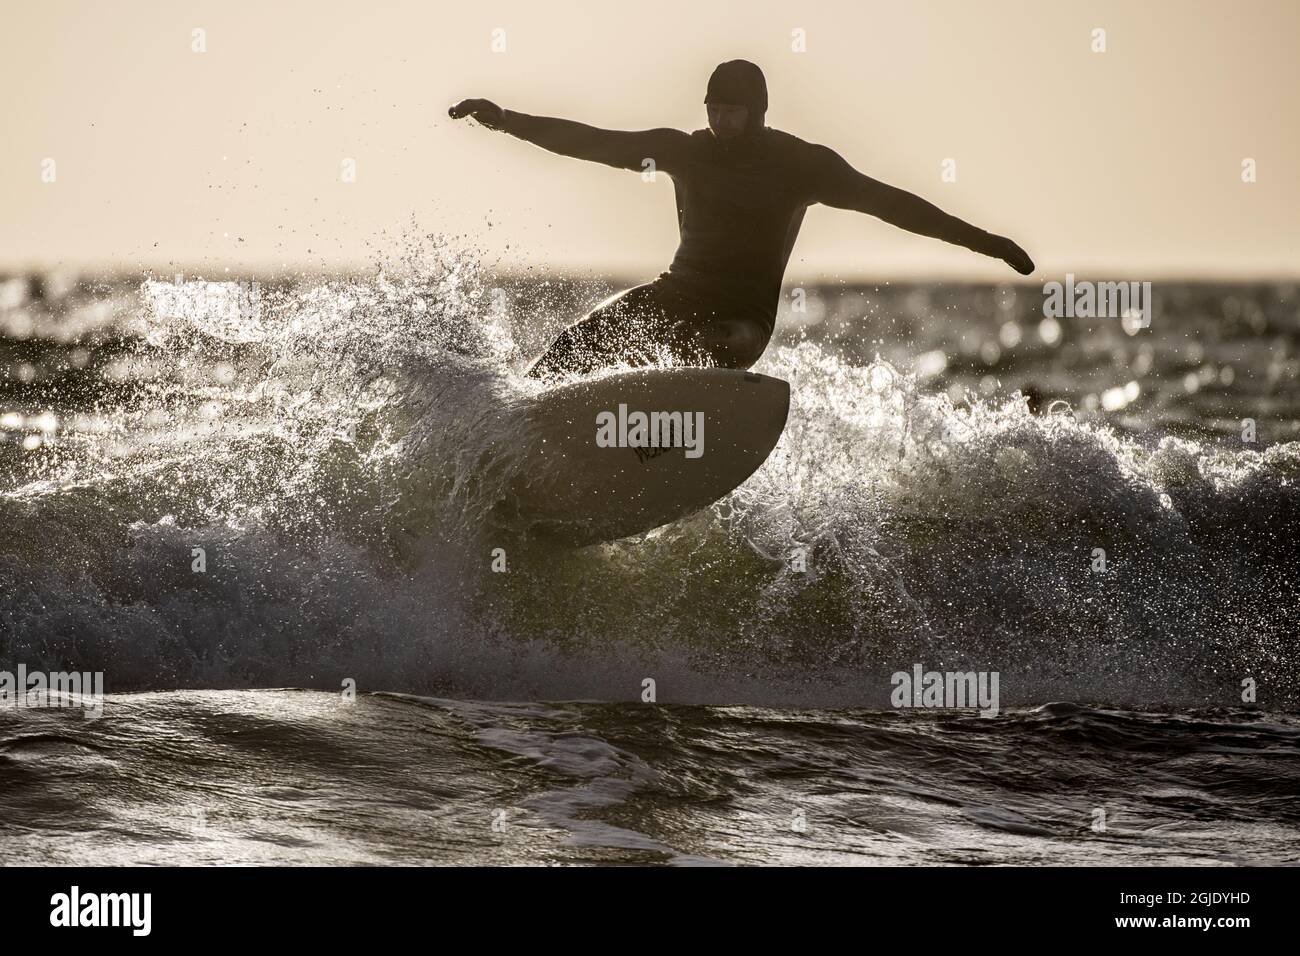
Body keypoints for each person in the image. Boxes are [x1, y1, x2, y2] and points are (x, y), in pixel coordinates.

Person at [449, 59, 1034, 381]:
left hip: (742, 319)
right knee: (573, 349)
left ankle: (668, 434)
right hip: (675, 293)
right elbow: (592, 141)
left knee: (709, 346)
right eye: (714, 110)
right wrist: (506, 120)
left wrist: (988, 243)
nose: (722, 122)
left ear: (758, 113)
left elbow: (895, 204)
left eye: (733, 112)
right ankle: (519, 440)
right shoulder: (684, 151)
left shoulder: (801, 165)